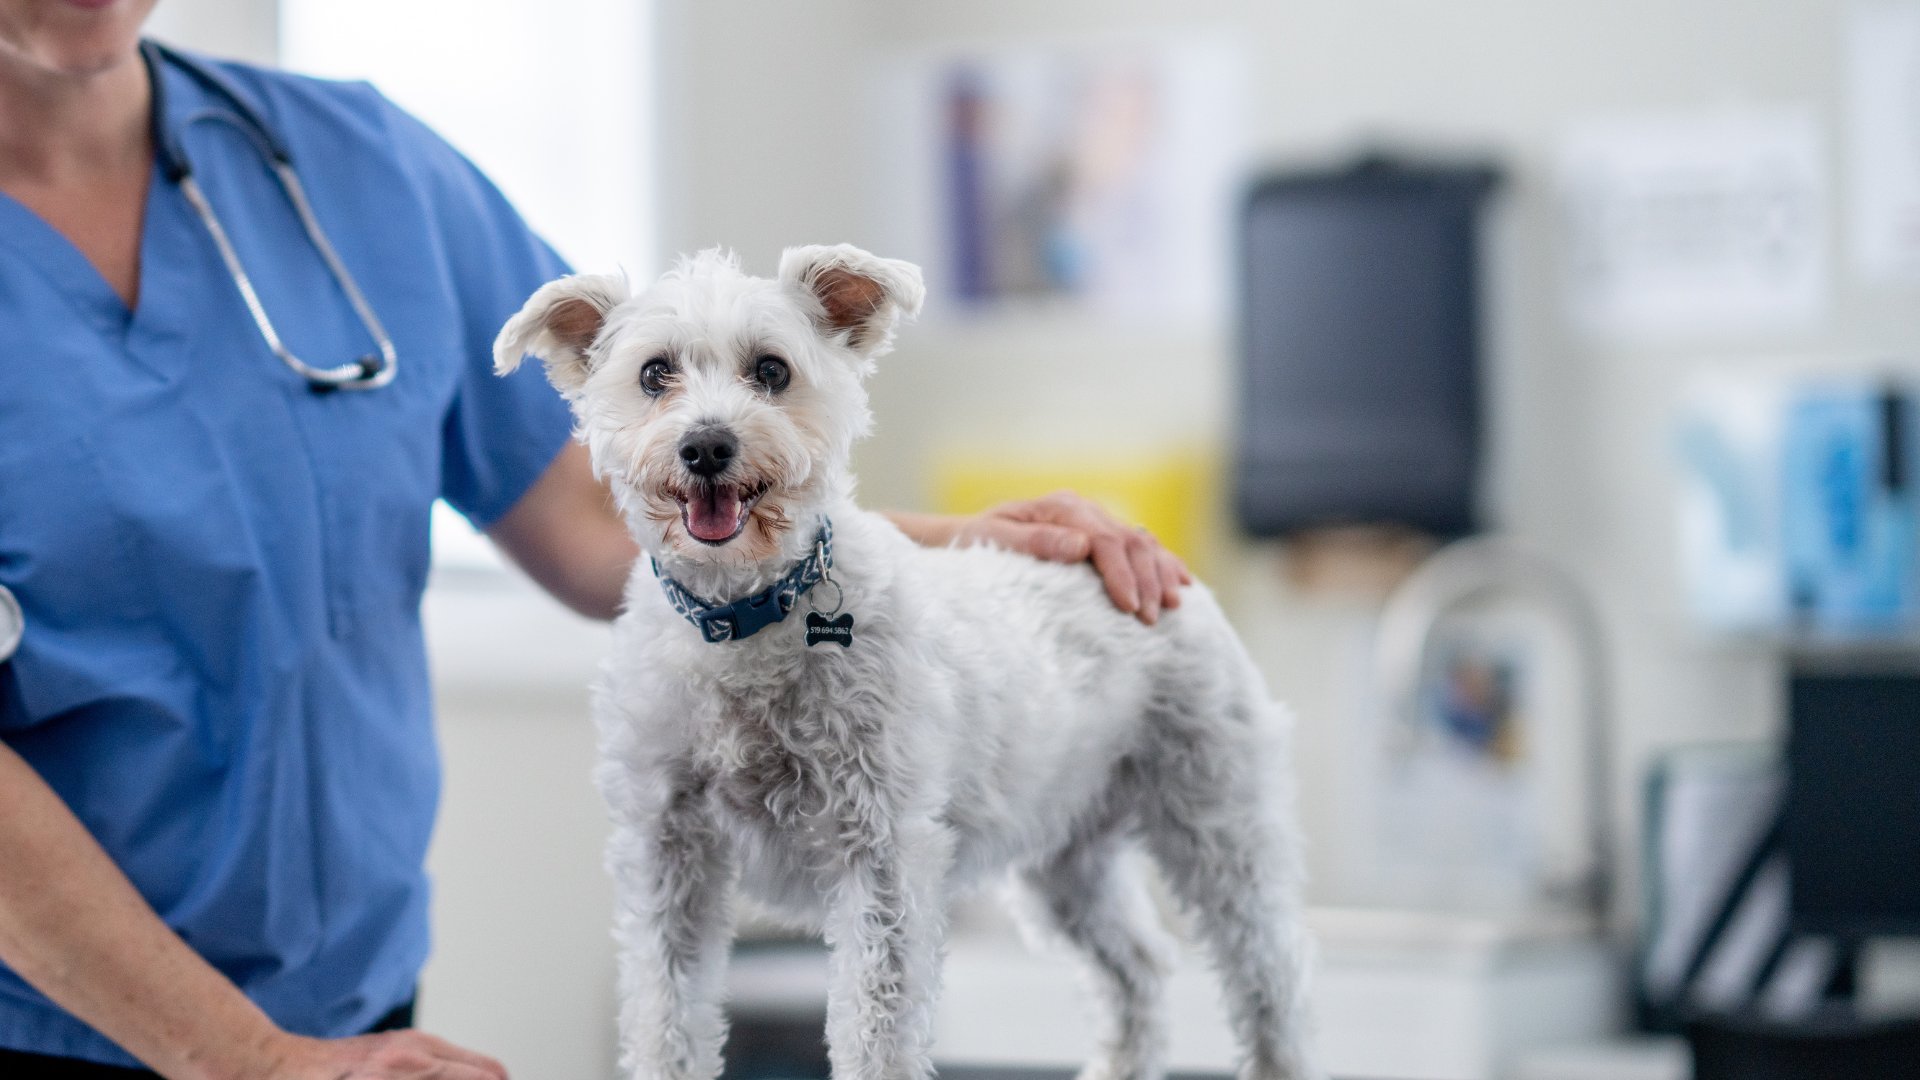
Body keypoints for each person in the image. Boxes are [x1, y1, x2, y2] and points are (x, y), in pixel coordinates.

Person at [0, 2, 1190, 1078]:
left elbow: (599, 523)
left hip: (360, 1018)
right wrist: (243, 1059)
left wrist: (969, 542)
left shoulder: (358, 170)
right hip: (66, 1025)